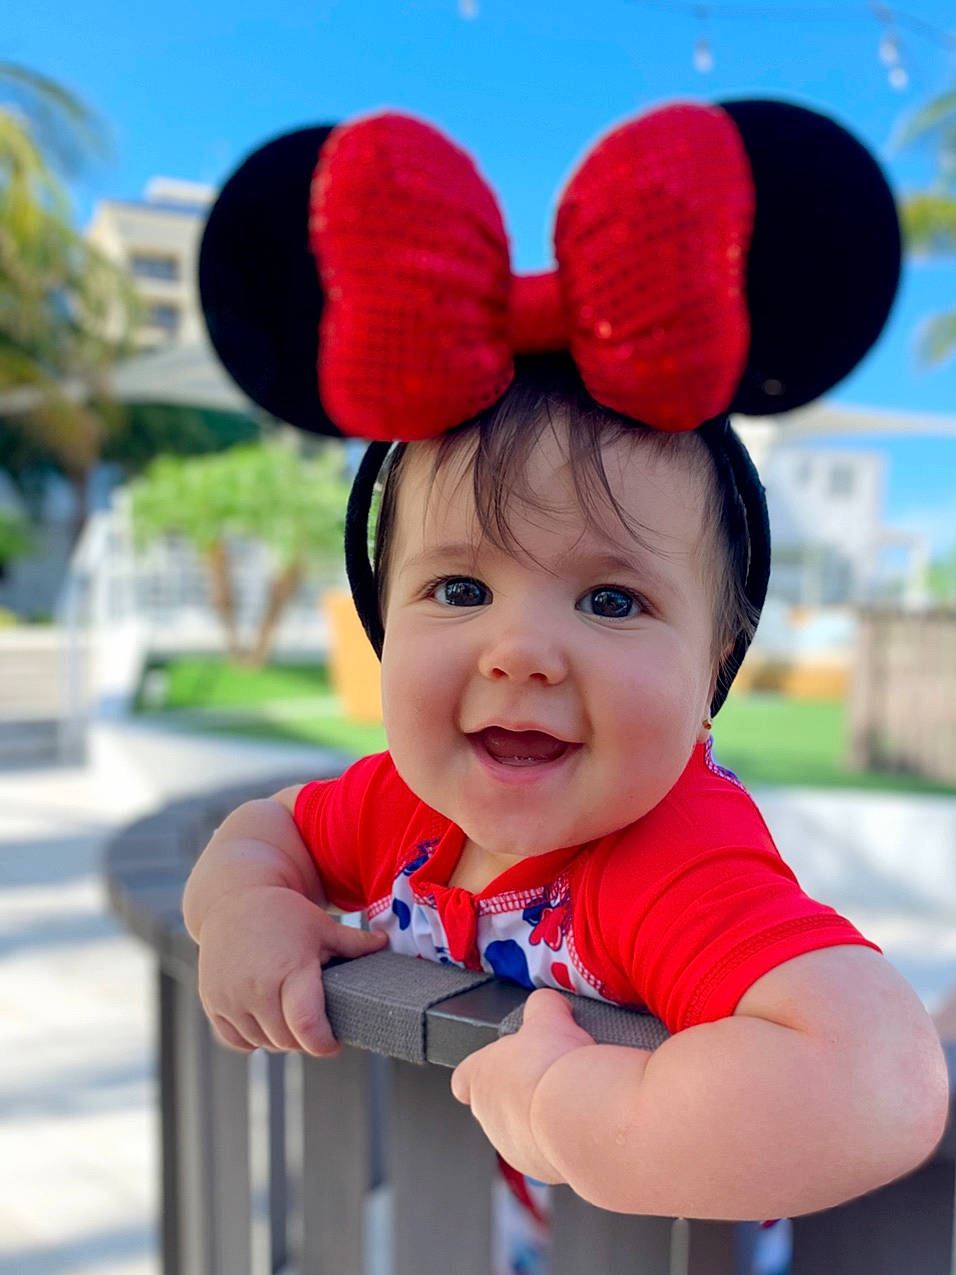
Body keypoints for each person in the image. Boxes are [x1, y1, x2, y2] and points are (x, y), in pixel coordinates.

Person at [186, 102, 949, 1223]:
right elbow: (263, 831)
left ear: (713, 666)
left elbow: (880, 1081)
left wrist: (567, 1110)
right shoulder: (396, 805)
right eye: (458, 589)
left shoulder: (670, 864)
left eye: (609, 599)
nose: (520, 651)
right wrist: (249, 906)